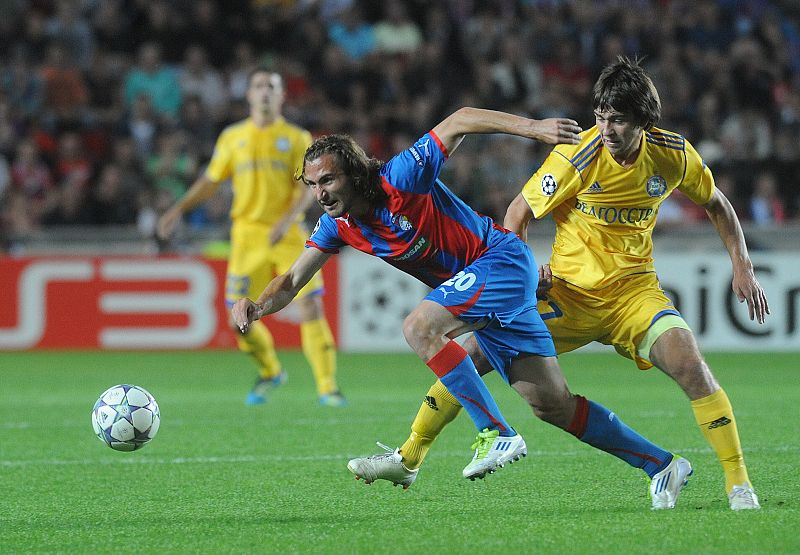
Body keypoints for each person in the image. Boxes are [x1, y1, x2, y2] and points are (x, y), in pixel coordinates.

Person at [348, 57, 768, 511]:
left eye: (618, 120)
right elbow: (517, 213)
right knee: (472, 357)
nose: (606, 129)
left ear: (644, 120)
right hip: (566, 294)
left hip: (634, 294)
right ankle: (409, 456)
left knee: (690, 365)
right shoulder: (578, 155)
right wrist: (527, 270)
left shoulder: (674, 155)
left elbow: (717, 204)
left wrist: (742, 264)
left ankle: (739, 485)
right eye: (600, 116)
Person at [232, 106, 689, 487]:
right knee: (552, 404)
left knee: (420, 327)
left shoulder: (400, 178)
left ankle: (495, 432)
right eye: (312, 185)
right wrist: (257, 305)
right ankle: (662, 465)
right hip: (484, 288)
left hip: (499, 259)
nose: (319, 194)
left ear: (352, 173)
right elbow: (291, 280)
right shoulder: (338, 225)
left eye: (328, 181)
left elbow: (461, 119)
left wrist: (534, 129)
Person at [157, 69, 346, 407]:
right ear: (248, 95)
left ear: (282, 96)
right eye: (258, 86)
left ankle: (327, 387)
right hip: (247, 235)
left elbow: (308, 188)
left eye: (271, 86)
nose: (264, 92)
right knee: (239, 318)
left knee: (310, 304)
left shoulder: (296, 137)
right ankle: (271, 371)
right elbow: (211, 180)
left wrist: (286, 221)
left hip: (288, 233)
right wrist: (177, 209)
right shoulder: (232, 137)